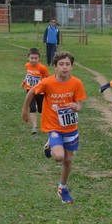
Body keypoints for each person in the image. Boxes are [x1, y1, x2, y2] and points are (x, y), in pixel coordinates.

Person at [21, 51, 87, 204]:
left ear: (72, 67)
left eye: (68, 65)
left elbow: (80, 105)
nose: (65, 68)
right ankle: (51, 142)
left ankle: (62, 188)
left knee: (68, 160)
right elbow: (31, 92)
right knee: (59, 157)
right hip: (54, 126)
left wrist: (76, 107)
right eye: (61, 65)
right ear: (55, 67)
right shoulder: (48, 82)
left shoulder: (77, 83)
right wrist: (24, 110)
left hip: (71, 127)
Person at [20, 47, 50, 134]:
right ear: (28, 58)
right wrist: (24, 81)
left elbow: (48, 77)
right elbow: (28, 74)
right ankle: (35, 127)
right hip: (29, 90)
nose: (33, 60)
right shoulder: (27, 65)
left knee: (41, 109)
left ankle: (47, 124)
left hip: (40, 91)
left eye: (35, 58)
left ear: (39, 58)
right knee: (32, 108)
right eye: (32, 58)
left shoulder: (42, 68)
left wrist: (47, 86)